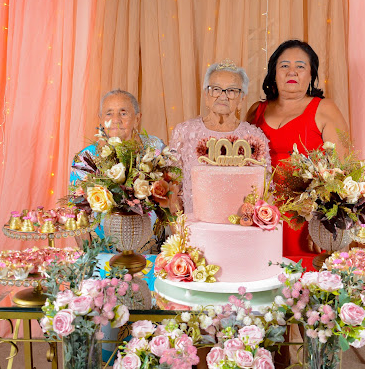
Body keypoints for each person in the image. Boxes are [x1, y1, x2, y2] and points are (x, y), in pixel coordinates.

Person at [247, 39, 349, 270]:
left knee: (304, 282)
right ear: (273, 73)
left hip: (307, 219)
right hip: (262, 215)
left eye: (300, 66)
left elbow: (343, 171)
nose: (291, 71)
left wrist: (323, 224)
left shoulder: (324, 108)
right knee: (262, 277)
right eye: (284, 65)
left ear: (311, 74)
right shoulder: (256, 110)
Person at [170, 60, 270, 215]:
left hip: (240, 224)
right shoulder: (184, 132)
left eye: (232, 91)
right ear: (206, 95)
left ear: (241, 99)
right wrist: (178, 225)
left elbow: (266, 188)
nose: (223, 96)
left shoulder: (254, 137)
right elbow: (172, 185)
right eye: (216, 89)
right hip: (194, 224)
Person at [70, 89, 165, 252]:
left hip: (151, 251)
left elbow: (170, 200)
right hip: (103, 253)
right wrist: (90, 258)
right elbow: (78, 214)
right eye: (109, 113)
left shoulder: (155, 149)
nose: (115, 120)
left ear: (137, 119)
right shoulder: (85, 158)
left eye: (123, 113)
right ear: (101, 119)